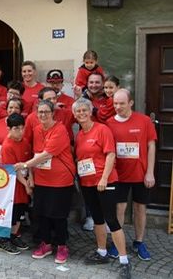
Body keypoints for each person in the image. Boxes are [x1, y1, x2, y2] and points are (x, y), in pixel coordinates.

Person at [73, 98, 131, 278]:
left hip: (105, 182)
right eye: (78, 111)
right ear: (74, 115)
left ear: (90, 111)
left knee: (111, 220)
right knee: (97, 219)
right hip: (88, 184)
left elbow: (111, 154)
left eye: (84, 110)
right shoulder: (80, 135)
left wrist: (104, 178)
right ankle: (102, 252)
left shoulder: (102, 129)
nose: (81, 113)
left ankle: (124, 261)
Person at [14, 100, 75, 264]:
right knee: (42, 215)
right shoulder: (36, 129)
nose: (43, 115)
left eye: (46, 112)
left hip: (61, 180)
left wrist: (25, 165)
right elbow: (36, 154)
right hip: (42, 180)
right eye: (40, 112)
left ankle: (62, 246)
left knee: (59, 216)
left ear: (52, 113)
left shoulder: (60, 129)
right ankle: (46, 244)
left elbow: (47, 154)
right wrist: (31, 176)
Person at [105, 89, 157, 262]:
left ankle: (139, 242)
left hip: (140, 174)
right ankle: (116, 242)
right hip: (118, 175)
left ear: (131, 103)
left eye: (121, 103)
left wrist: (150, 172)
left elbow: (151, 146)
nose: (118, 107)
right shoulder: (109, 123)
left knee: (140, 208)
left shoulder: (144, 121)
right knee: (119, 208)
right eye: (115, 104)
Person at [0, 113, 32, 255]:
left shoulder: (25, 141)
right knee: (13, 214)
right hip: (13, 187)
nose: (20, 131)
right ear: (9, 128)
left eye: (22, 128)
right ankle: (3, 240)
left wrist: (30, 180)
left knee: (21, 213)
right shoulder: (7, 146)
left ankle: (14, 235)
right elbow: (14, 170)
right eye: (16, 128)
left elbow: (29, 163)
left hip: (23, 183)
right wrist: (26, 184)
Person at [0, 98, 23, 163]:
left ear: (21, 110)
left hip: (18, 163)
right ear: (7, 109)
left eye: (17, 108)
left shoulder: (24, 125)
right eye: (11, 107)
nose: (13, 110)